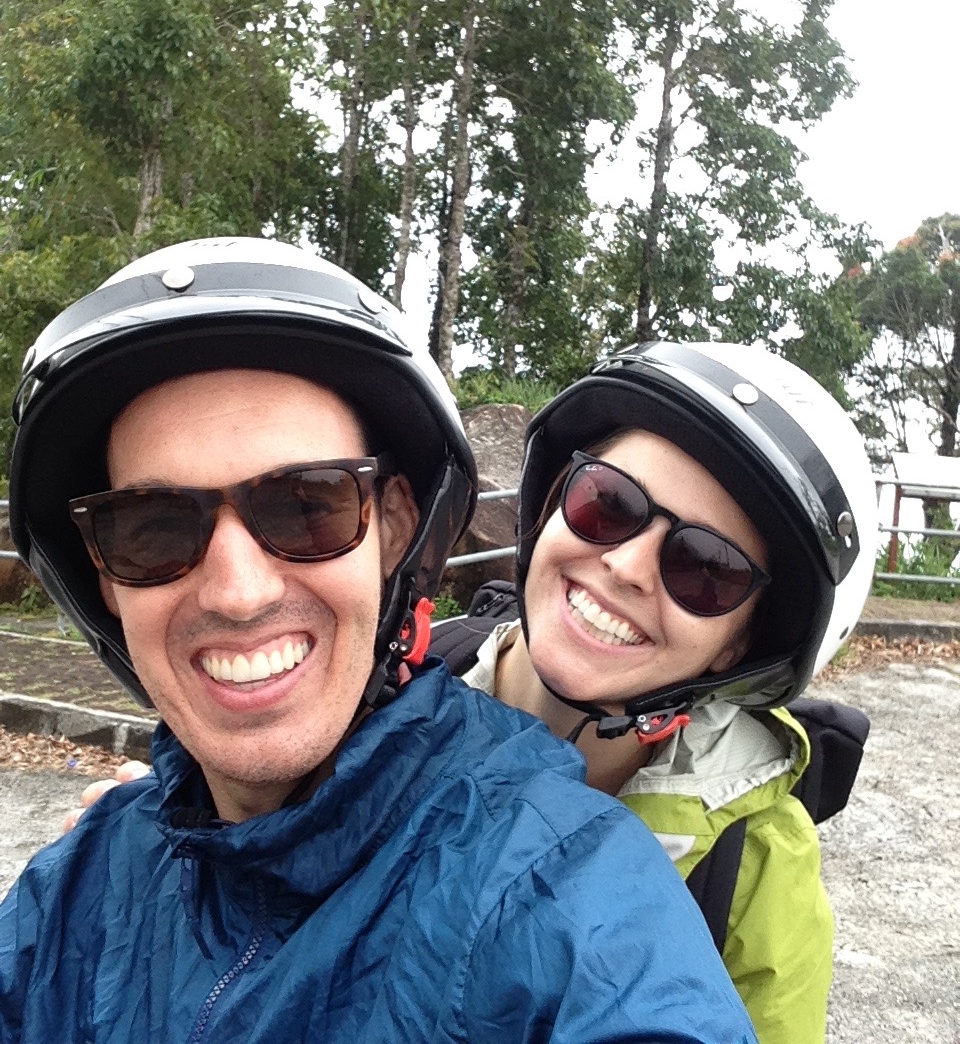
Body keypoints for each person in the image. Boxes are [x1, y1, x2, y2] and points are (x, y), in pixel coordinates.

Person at [0, 237, 757, 1044]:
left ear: (395, 528)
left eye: (306, 505)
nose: (238, 591)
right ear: (105, 579)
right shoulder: (75, 887)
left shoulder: (565, 888)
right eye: (152, 528)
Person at [454, 342, 877, 1044]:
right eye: (607, 503)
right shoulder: (388, 690)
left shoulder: (750, 862)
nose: (625, 565)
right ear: (554, 500)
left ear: (736, 649)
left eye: (707, 568)